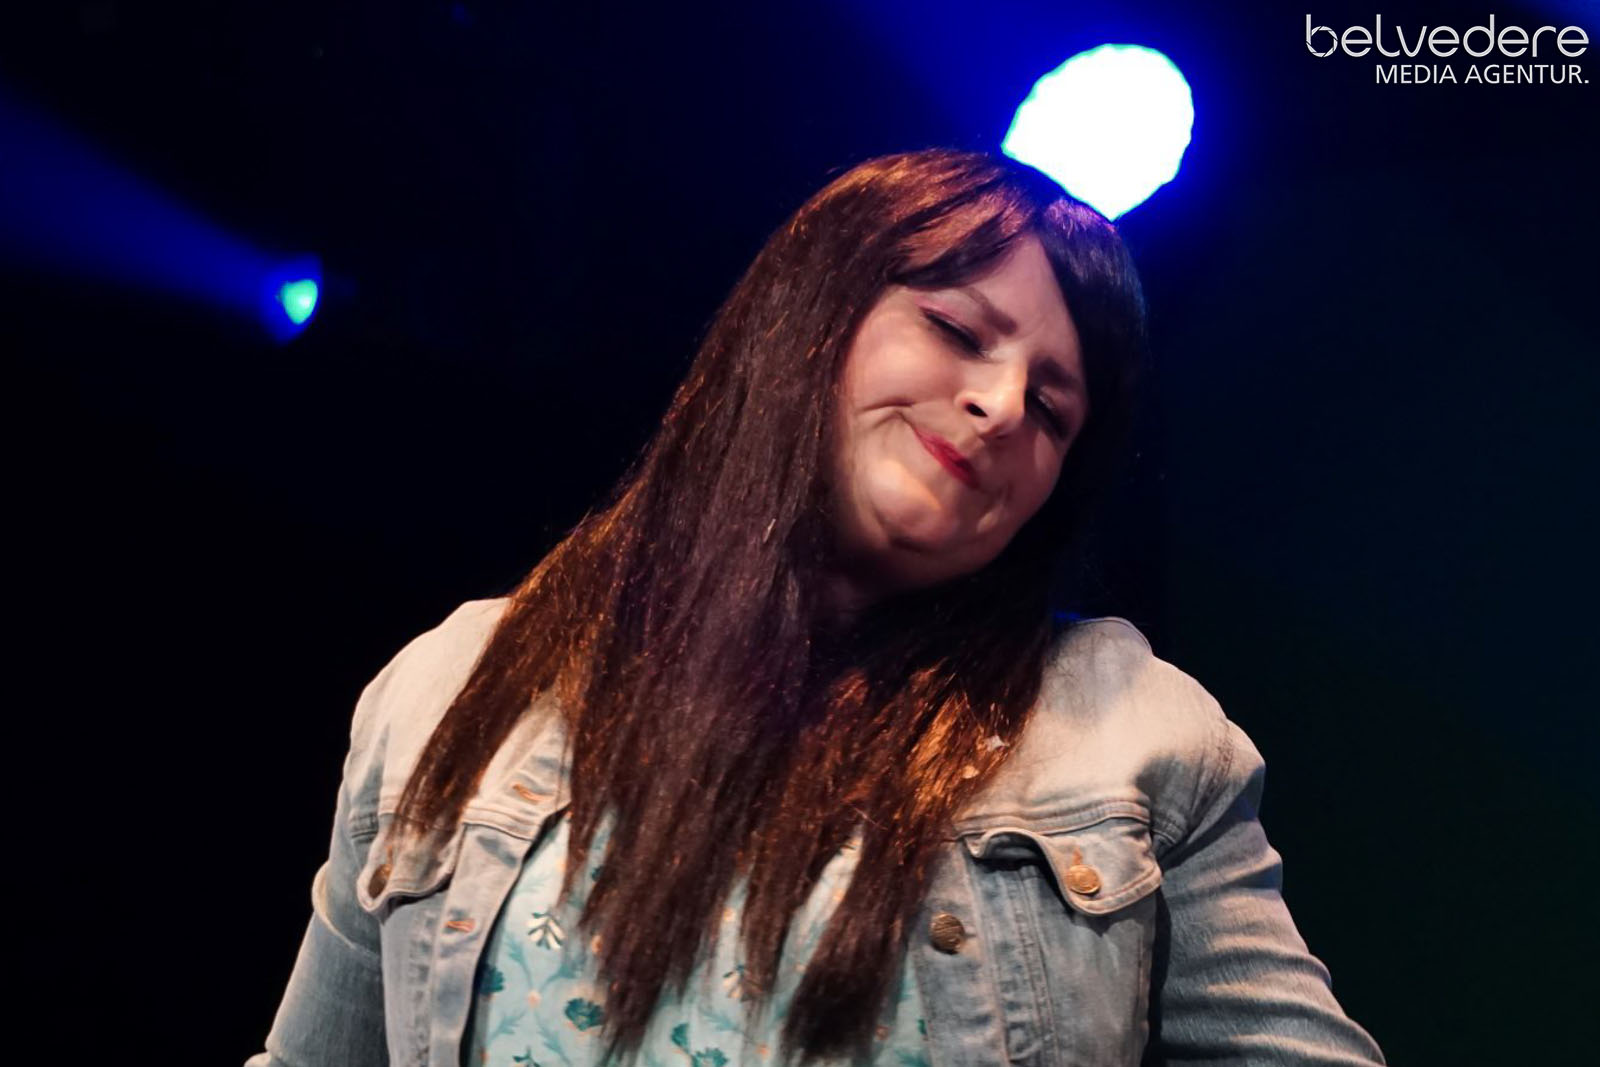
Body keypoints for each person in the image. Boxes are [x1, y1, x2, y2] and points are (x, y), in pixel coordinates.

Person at [247, 149, 1387, 1066]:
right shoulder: (450, 683)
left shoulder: (1137, 730)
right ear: (806, 321)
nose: (1000, 405)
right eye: (957, 331)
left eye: (1052, 409)